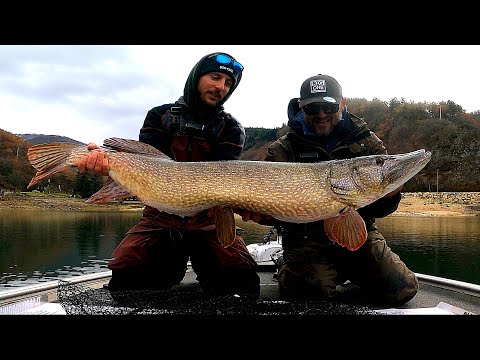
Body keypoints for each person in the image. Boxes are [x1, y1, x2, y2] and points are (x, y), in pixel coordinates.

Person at [77, 52, 260, 298]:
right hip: (160, 217)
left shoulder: (231, 128)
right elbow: (145, 170)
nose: (221, 87)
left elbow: (224, 178)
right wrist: (106, 166)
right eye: (215, 77)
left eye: (228, 83)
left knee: (241, 281)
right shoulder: (160, 116)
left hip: (208, 221)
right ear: (196, 77)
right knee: (128, 277)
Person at [241, 74, 418, 306]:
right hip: (305, 240)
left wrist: (392, 191)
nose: (321, 114)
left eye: (328, 106)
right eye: (314, 108)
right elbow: (275, 212)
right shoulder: (283, 149)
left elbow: (382, 209)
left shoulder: (366, 142)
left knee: (402, 289)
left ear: (342, 104)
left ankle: (348, 272)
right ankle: (287, 264)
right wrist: (259, 214)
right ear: (301, 108)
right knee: (309, 293)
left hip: (360, 233)